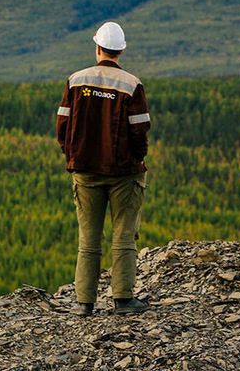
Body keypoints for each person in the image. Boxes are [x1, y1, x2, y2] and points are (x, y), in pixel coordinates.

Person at [56, 21, 151, 316]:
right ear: (120, 50)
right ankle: (123, 299)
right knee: (123, 235)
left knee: (89, 237)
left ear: (97, 47)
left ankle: (84, 302)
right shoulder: (132, 85)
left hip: (84, 170)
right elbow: (140, 131)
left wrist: (73, 154)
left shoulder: (75, 80)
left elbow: (63, 125)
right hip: (123, 173)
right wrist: (136, 161)